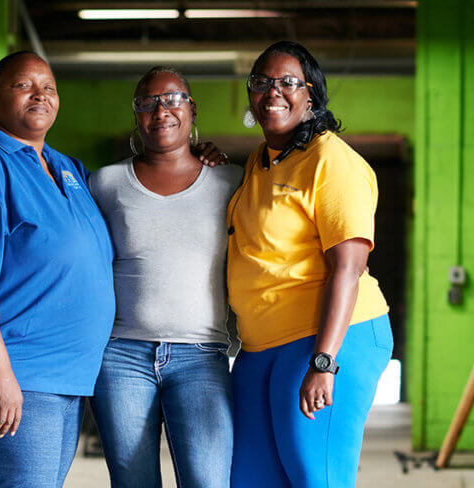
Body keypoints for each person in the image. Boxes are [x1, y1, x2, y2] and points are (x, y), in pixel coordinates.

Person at [0, 51, 116, 487]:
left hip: (64, 374)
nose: (40, 94)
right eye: (23, 85)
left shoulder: (66, 167)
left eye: (49, 87)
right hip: (16, 370)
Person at [226, 41, 392, 488]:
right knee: (249, 478)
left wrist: (324, 362)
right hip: (261, 346)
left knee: (315, 476)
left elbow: (348, 269)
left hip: (330, 338)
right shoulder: (260, 162)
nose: (272, 92)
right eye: (261, 82)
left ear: (311, 95)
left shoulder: (331, 161)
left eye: (287, 83)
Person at [88, 66, 241, 488]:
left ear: (192, 110)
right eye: (148, 102)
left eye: (173, 99)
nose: (161, 110)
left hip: (201, 355)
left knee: (208, 480)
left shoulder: (232, 181)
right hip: (121, 356)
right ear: (136, 115)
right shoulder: (106, 183)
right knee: (133, 481)